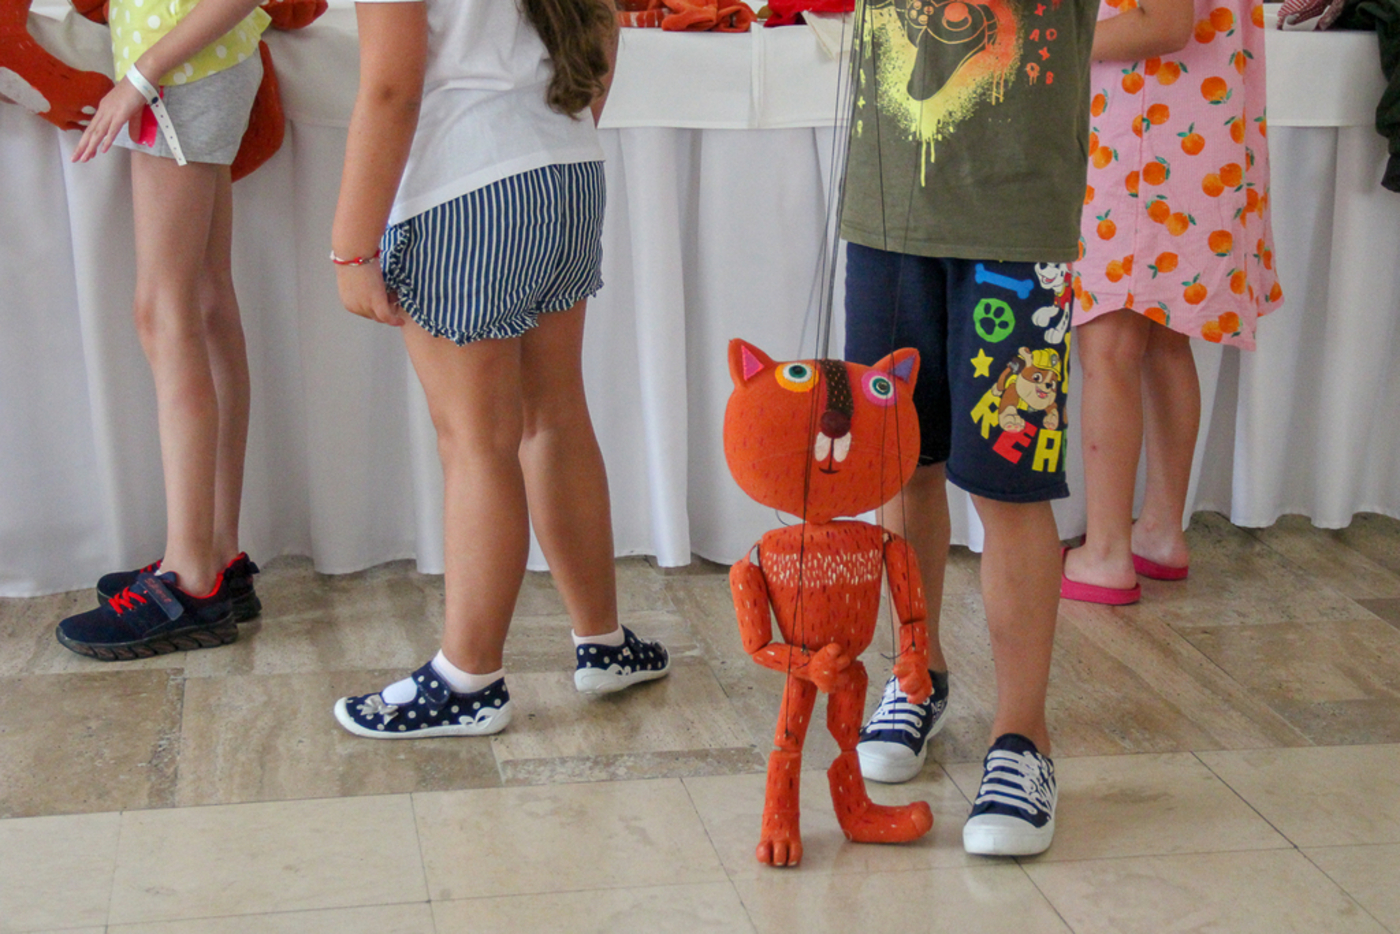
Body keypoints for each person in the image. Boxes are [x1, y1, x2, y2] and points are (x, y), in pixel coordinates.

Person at [329, 0, 669, 739]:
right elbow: (602, 34)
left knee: (476, 442)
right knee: (555, 415)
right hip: (567, 169)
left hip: (464, 183)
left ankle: (467, 679)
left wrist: (351, 246)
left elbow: (391, 86)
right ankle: (605, 643)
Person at [839, 0, 1098, 856]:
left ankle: (1023, 738)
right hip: (889, 211)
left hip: (1014, 223)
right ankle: (915, 673)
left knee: (1009, 485)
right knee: (901, 463)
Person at [55, 0, 271, 661]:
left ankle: (190, 577)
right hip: (195, 63)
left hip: (180, 70)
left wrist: (140, 77)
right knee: (204, 304)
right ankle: (215, 556)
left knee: (165, 311)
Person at [1061, 0, 1281, 605]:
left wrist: (1044, 41)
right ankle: (1158, 533)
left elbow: (1161, 24)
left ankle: (1106, 553)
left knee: (1109, 344)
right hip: (1181, 124)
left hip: (1142, 133)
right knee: (1163, 337)